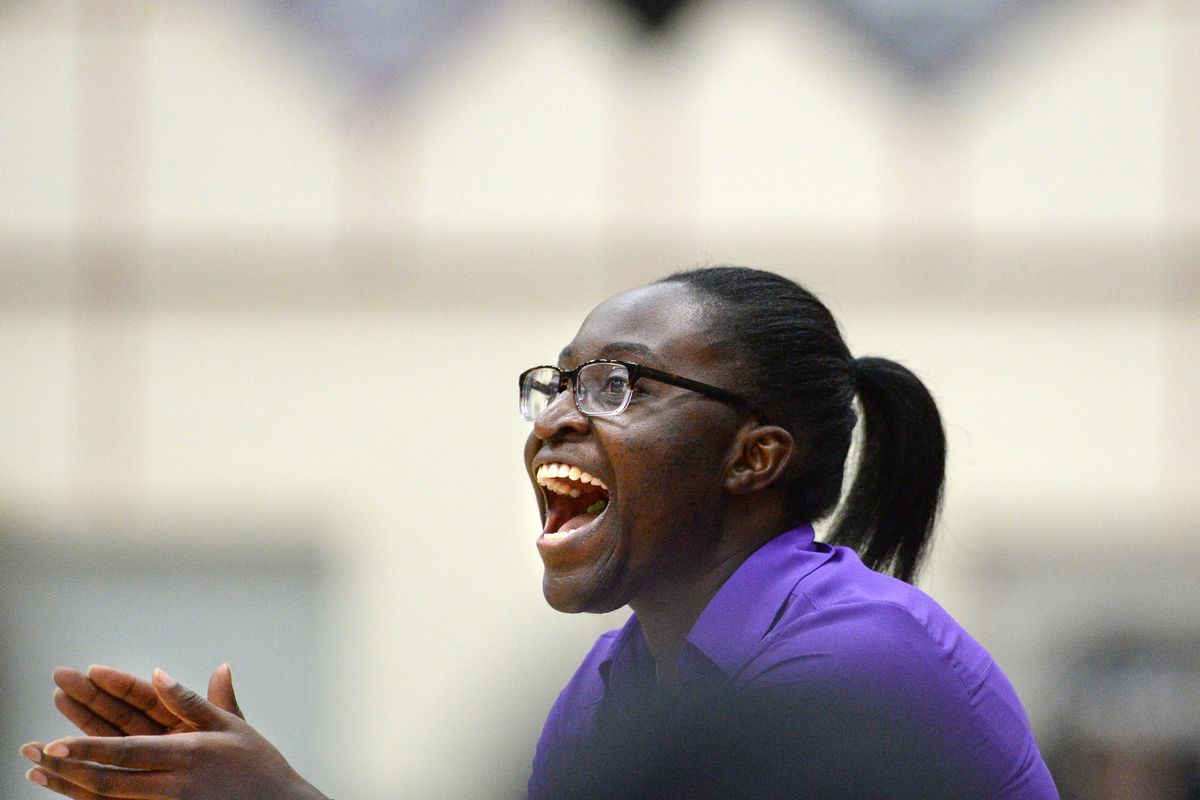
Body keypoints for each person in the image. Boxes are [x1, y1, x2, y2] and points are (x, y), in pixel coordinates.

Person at [19, 266, 1059, 799]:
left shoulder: (855, 653)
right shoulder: (609, 690)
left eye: (620, 384)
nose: (560, 414)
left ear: (755, 457)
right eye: (558, 382)